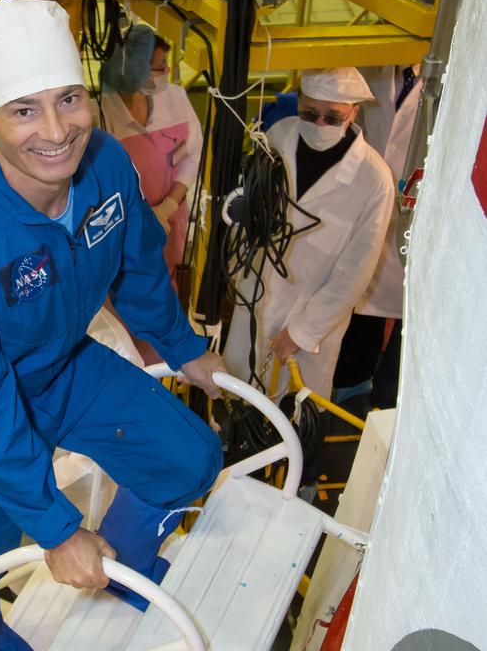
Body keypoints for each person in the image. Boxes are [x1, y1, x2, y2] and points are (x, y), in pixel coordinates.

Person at [0, 0, 224, 651]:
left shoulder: (105, 165)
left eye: (68, 99)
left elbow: (138, 261)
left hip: (63, 365)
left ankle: (122, 570)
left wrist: (181, 345)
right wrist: (57, 529)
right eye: (24, 110)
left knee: (187, 457)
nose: (55, 131)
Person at [224, 67, 395, 401]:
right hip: (255, 300)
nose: (318, 124)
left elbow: (355, 273)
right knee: (234, 398)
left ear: (354, 112)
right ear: (299, 102)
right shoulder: (279, 136)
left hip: (310, 324)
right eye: (310, 113)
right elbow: (250, 212)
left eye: (332, 118)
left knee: (293, 415)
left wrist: (301, 333)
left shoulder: (374, 180)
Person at [332, 64, 422, 406]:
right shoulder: (369, 66)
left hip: (415, 213)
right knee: (358, 307)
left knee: (408, 316)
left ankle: (385, 401)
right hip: (360, 202)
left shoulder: (443, 72)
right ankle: (348, 396)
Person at [98, 24, 203, 285]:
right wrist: (141, 219)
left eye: (164, 64)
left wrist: (167, 207)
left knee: (167, 285)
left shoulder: (175, 98)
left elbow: (193, 156)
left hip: (170, 220)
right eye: (158, 67)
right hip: (125, 230)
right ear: (131, 73)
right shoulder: (100, 117)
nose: (166, 71)